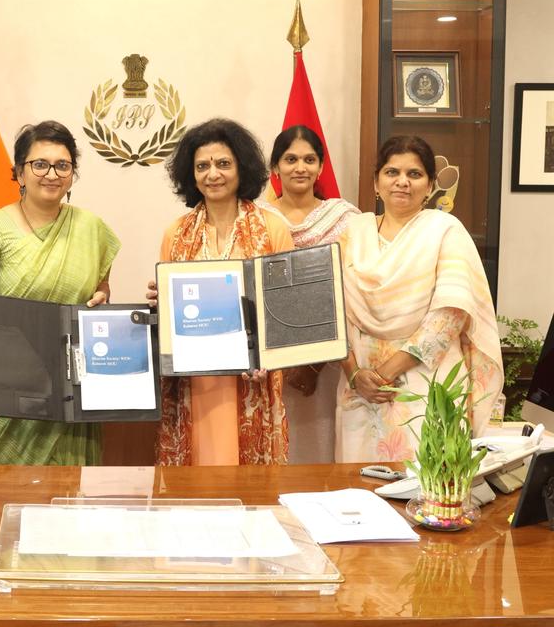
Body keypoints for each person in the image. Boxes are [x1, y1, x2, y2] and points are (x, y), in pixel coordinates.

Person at [0, 120, 119, 465]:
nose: (52, 174)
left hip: (74, 382)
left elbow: (100, 285)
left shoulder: (91, 228)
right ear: (19, 171)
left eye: (63, 165)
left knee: (75, 489)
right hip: (12, 385)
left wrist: (102, 295)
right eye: (40, 164)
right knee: (16, 494)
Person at [336, 136, 503, 461]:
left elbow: (450, 314)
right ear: (376, 182)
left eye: (414, 174)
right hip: (359, 388)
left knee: (422, 490)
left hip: (423, 383)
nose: (402, 182)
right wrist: (355, 374)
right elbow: (332, 311)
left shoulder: (444, 230)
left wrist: (384, 374)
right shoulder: (352, 232)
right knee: (355, 492)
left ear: (429, 186)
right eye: (392, 172)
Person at [146, 118, 295, 466]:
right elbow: (169, 318)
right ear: (191, 175)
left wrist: (265, 360)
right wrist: (161, 304)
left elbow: (285, 308)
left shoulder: (272, 228)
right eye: (202, 166)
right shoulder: (176, 233)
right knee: (197, 482)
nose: (213, 174)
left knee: (248, 490)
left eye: (223, 163)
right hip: (193, 383)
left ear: (242, 168)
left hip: (251, 380)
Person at [256, 125, 359, 463]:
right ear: (275, 167)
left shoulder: (345, 219)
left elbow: (351, 293)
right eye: (290, 159)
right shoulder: (256, 220)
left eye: (309, 159)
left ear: (320, 167)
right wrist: (284, 362)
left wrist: (313, 365)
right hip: (270, 365)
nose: (300, 167)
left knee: (320, 448)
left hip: (331, 360)